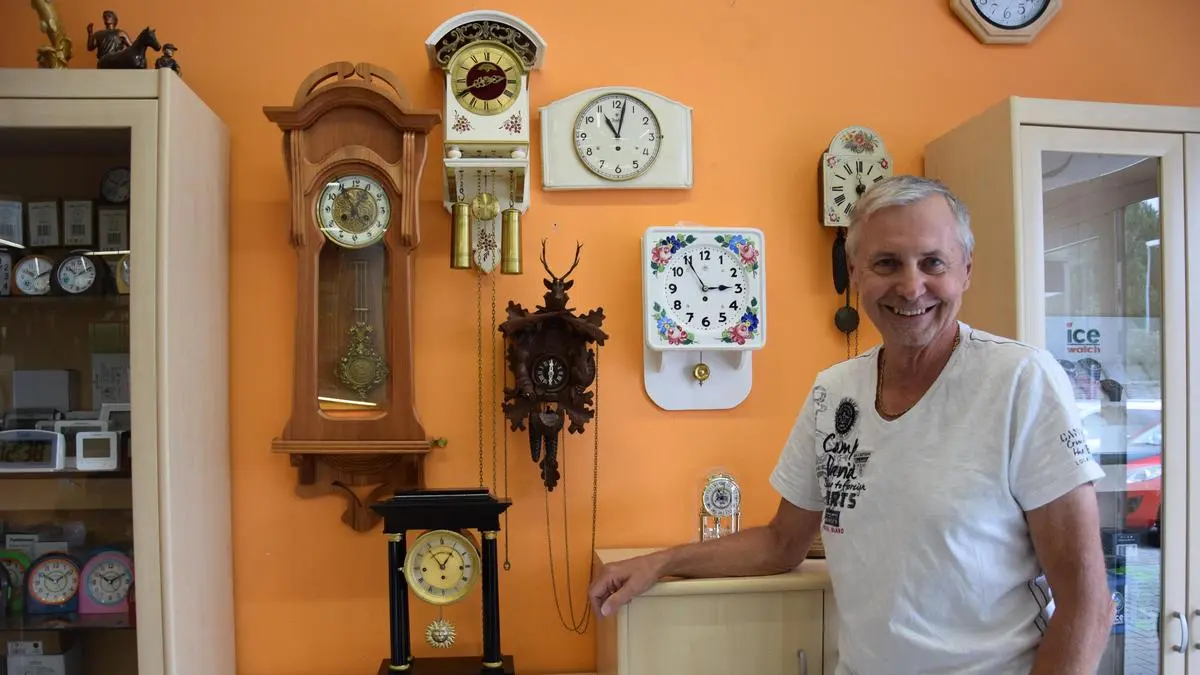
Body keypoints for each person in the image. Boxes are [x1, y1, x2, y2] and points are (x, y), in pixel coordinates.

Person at [588, 175, 1114, 674]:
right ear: (855, 273)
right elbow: (780, 544)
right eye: (887, 263)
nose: (912, 287)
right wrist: (662, 562)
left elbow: (1087, 603)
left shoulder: (1021, 380)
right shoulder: (834, 392)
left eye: (933, 262)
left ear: (966, 271)